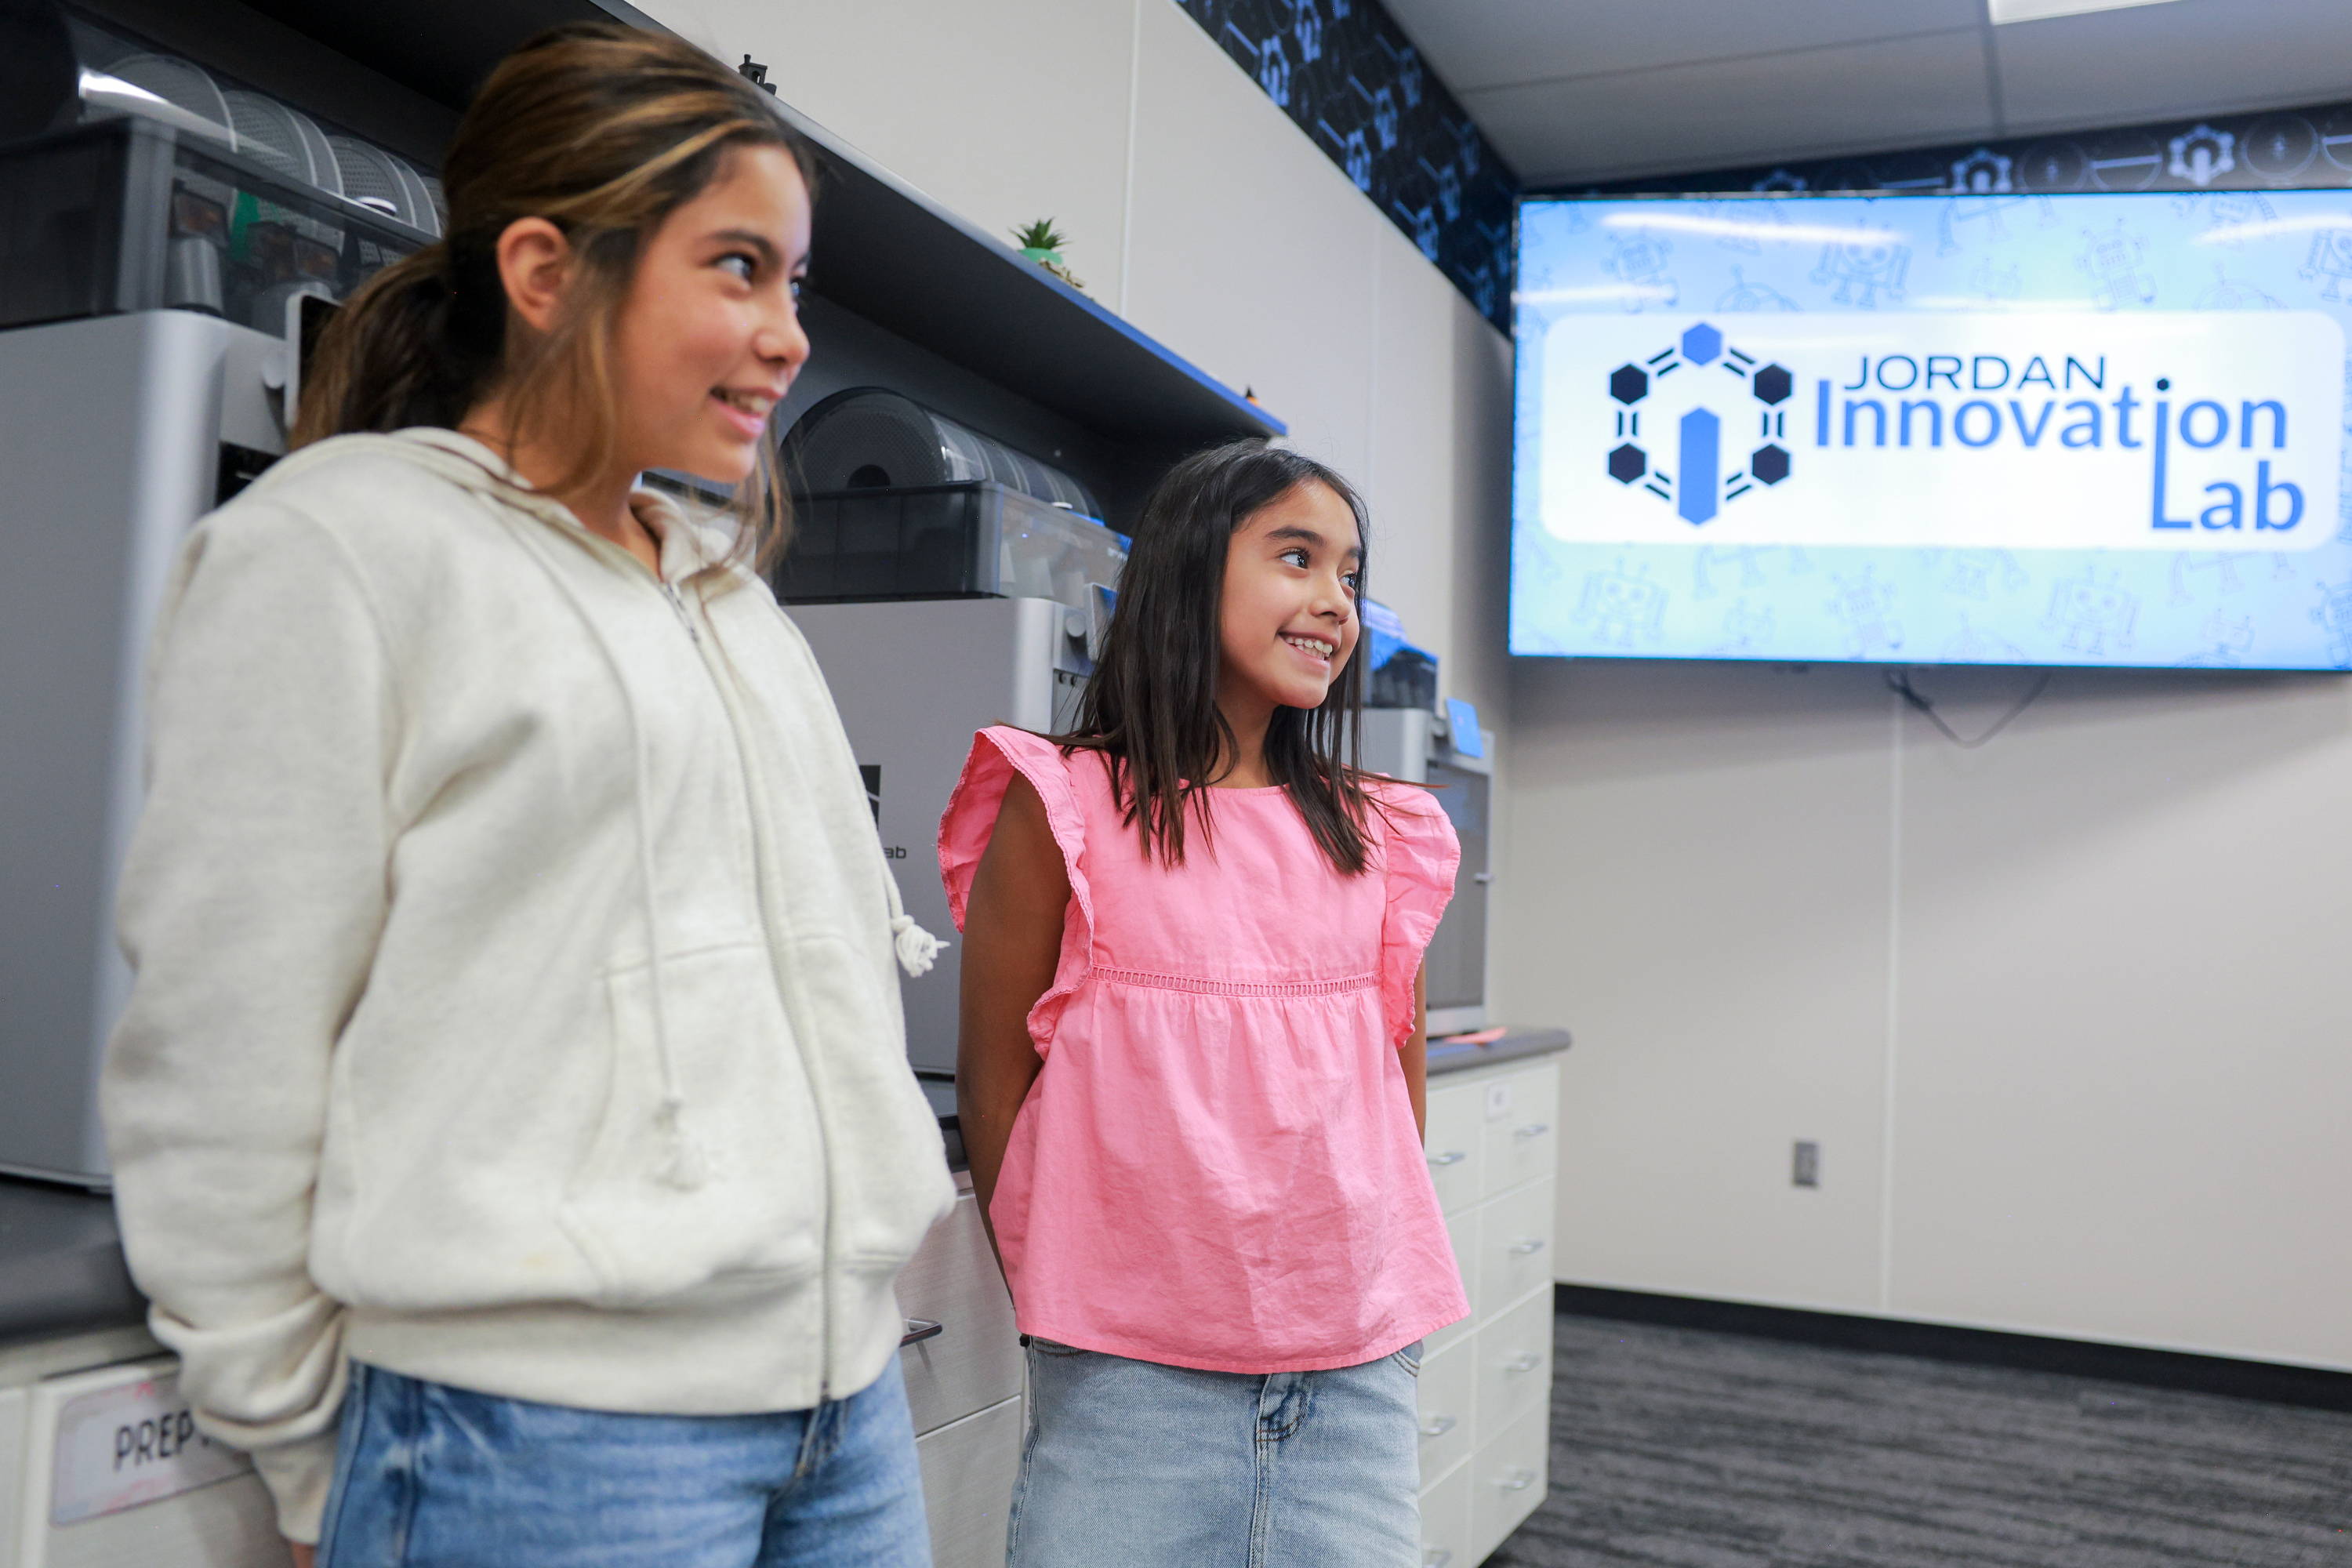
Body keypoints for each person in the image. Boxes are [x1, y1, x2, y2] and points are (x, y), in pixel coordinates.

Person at [100, 24, 955, 1568]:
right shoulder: (339, 550)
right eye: (739, 269)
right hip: (542, 1435)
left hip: (840, 1404)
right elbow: (225, 1044)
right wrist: (309, 1449)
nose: (789, 337)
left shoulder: (730, 602)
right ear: (548, 271)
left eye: (796, 283)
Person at [942, 441, 1468, 1566]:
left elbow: (1396, 1091)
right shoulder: (1067, 807)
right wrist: (1071, 1298)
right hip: (1128, 1380)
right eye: (1296, 557)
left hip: (1352, 1375)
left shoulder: (1386, 833)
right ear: (1189, 570)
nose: (1335, 602)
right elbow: (996, 1088)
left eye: (1351, 576)